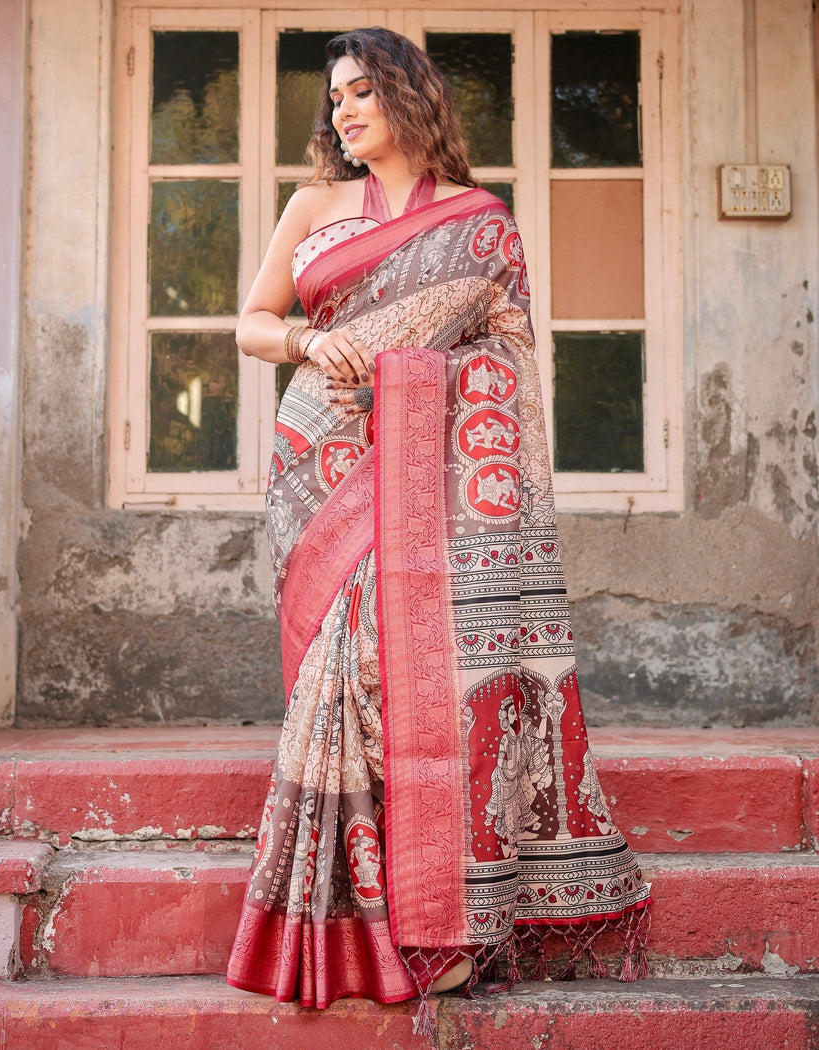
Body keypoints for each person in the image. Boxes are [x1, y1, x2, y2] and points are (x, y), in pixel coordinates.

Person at [227, 27, 651, 1034]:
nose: (343, 110)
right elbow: (251, 322)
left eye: (363, 90)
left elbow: (509, 365)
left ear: (411, 96)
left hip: (437, 476)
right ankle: (355, 930)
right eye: (334, 98)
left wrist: (423, 375)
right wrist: (312, 338)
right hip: (319, 460)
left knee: (410, 676)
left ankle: (430, 931)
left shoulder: (481, 223)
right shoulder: (313, 207)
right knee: (346, 671)